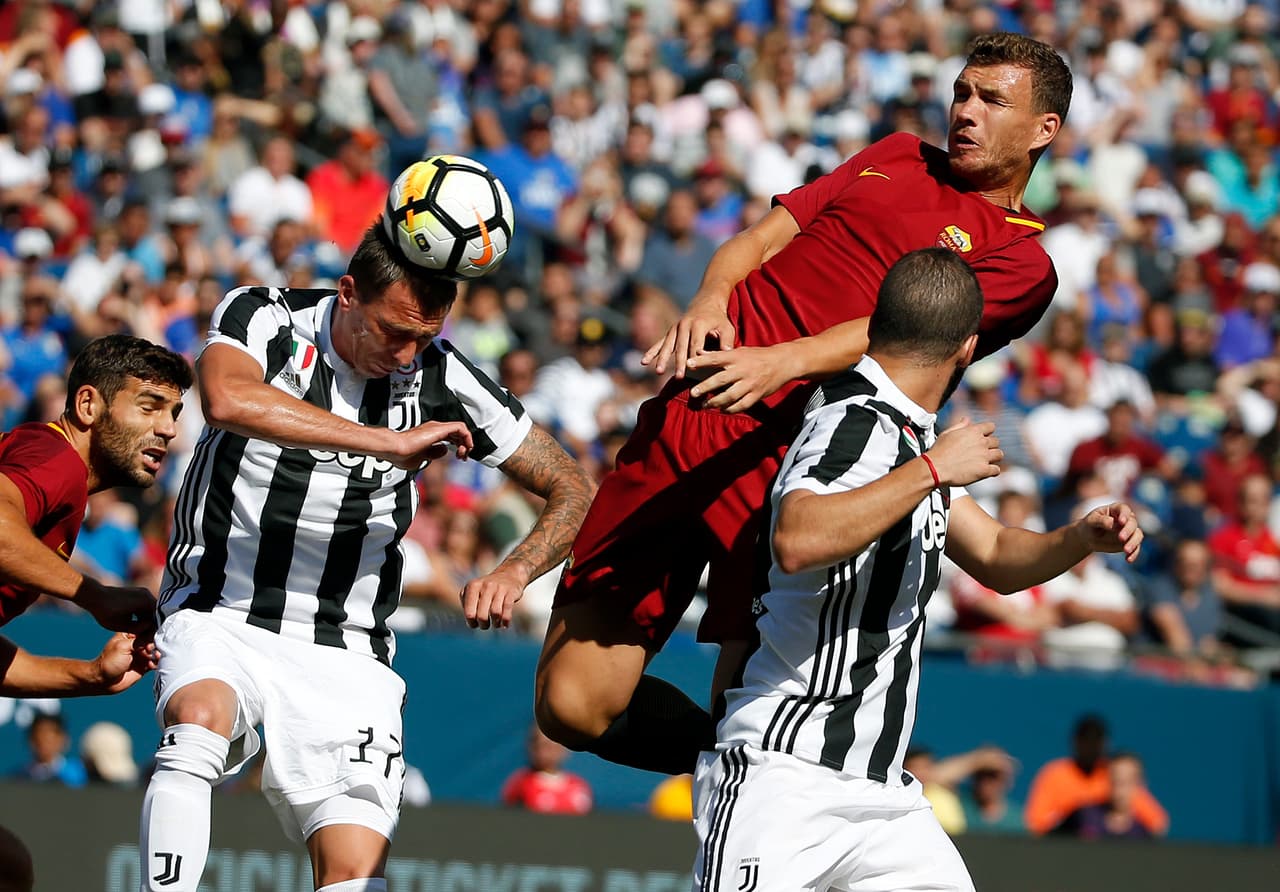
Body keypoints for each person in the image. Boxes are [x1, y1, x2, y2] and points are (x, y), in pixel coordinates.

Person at [536, 32, 1072, 776]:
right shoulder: (895, 154)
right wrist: (711, 297)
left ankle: (754, 776)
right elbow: (760, 238)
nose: (965, 111)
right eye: (962, 93)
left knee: (747, 711)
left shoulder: (1021, 260)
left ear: (1044, 128)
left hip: (798, 465)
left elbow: (898, 335)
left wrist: (781, 361)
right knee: (569, 705)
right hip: (697, 414)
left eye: (992, 100)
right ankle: (734, 763)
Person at [137, 220, 593, 892]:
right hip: (221, 607)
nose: (406, 354)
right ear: (348, 293)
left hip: (347, 644)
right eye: (393, 331)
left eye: (423, 338)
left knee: (355, 868)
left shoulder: (442, 375)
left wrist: (517, 569)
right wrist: (384, 441)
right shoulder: (266, 316)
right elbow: (227, 398)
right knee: (198, 726)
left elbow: (573, 486)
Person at [691, 248, 1143, 892]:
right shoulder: (855, 421)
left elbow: (995, 556)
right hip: (785, 777)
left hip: (883, 798)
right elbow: (797, 536)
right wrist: (933, 470)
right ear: (968, 348)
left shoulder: (906, 438)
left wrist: (1078, 538)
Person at [0, 334, 191, 698]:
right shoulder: (59, 461)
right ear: (88, 405)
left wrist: (92, 676)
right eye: (149, 407)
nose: (168, 428)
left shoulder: (53, 471)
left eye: (173, 413)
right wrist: (95, 595)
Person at [1024, 714, 1168, 836]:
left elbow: (1157, 821)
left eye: (1096, 741)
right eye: (1086, 740)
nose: (1091, 747)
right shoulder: (1054, 773)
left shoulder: (1111, 772)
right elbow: (1037, 824)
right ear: (1075, 741)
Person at [500, 723, 593, 816]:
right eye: (539, 744)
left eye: (551, 745)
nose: (545, 751)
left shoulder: (580, 786)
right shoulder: (520, 784)